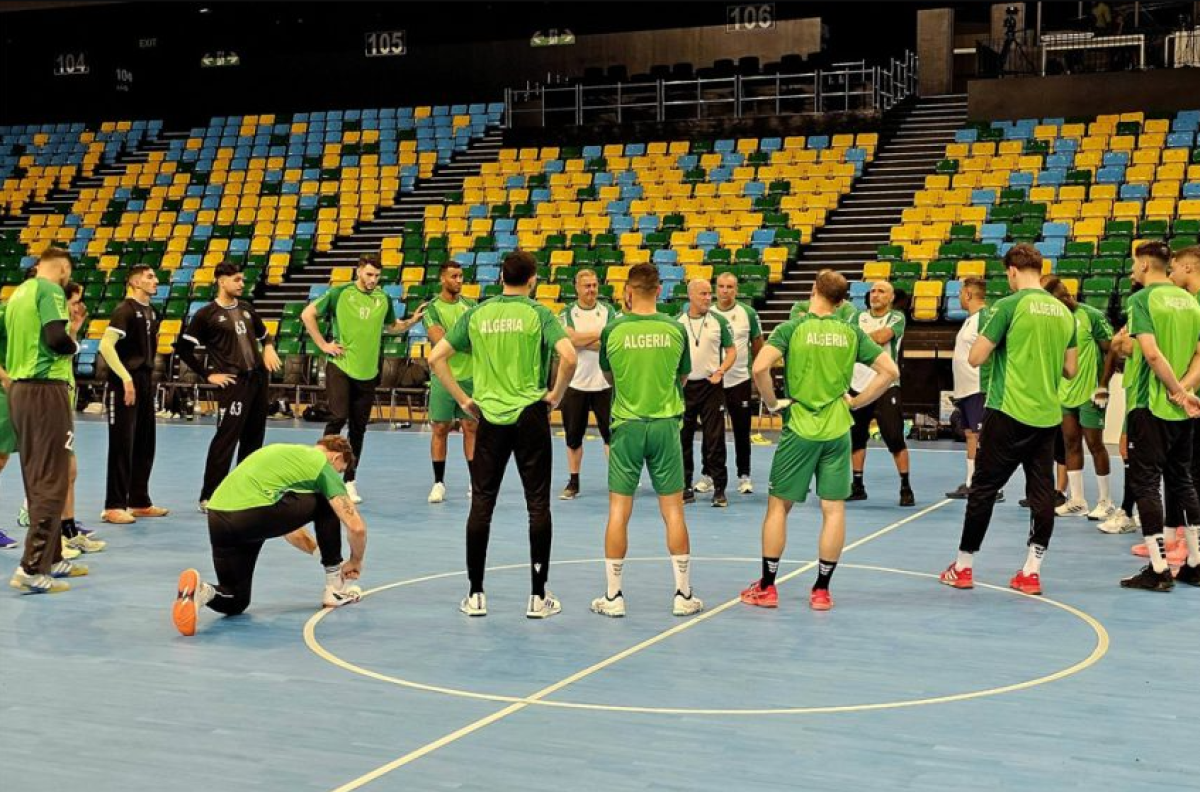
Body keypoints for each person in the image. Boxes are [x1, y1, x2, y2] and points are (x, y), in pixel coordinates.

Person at [428, 250, 577, 619]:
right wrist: (556, 396)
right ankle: (538, 597)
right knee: (537, 505)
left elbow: (435, 358)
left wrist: (463, 399)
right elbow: (570, 357)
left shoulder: (477, 313)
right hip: (531, 415)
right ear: (533, 280)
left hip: (490, 418)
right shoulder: (539, 313)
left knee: (482, 503)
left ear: (500, 278)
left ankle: (476, 594)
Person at [740, 270, 898, 611]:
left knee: (778, 507)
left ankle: (767, 586)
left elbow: (759, 368)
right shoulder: (852, 332)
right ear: (841, 302)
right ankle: (822, 590)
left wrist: (772, 403)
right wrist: (857, 402)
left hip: (800, 427)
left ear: (813, 290)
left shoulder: (791, 328)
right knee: (833, 509)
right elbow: (890, 371)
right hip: (837, 428)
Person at [939, 244, 1078, 596]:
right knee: (1041, 493)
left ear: (1013, 271)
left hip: (1008, 411)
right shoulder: (1065, 313)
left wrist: (1002, 344)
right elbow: (1070, 369)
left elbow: (976, 357)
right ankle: (1032, 572)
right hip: (1046, 415)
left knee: (983, 489)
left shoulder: (1008, 306)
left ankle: (963, 566)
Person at [590, 263, 702, 617]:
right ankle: (683, 594)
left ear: (628, 290)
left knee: (618, 510)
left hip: (627, 425)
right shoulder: (675, 328)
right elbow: (683, 376)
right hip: (665, 424)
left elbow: (608, 375)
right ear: (660, 290)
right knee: (673, 510)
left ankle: (613, 597)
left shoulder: (613, 329)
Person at [170, 436, 368, 636]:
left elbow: (290, 529)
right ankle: (335, 587)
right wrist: (355, 561)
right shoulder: (321, 465)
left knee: (236, 600)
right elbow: (356, 528)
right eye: (340, 471)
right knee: (327, 501)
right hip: (250, 515)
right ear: (336, 457)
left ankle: (202, 592)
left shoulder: (287, 457)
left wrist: (321, 552)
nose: (337, 475)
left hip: (218, 518)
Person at [301, 253, 425, 504]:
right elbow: (307, 314)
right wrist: (323, 344)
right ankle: (320, 474)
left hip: (368, 372)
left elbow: (392, 326)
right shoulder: (340, 293)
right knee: (338, 417)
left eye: (377, 276)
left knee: (358, 428)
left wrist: (412, 321)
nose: (373, 280)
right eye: (369, 274)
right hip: (341, 365)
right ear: (358, 271)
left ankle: (349, 480)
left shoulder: (383, 298)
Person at [6, 248, 89, 594]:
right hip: (45, 390)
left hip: (21, 390)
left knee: (37, 474)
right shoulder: (50, 289)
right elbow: (56, 338)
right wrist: (76, 345)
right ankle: (31, 567)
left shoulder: (18, 293)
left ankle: (52, 558)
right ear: (63, 269)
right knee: (53, 479)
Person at [1118, 242, 1200, 591]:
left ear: (1145, 264)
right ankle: (1195, 564)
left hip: (1149, 405)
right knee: (1182, 480)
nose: (1132, 271)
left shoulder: (1142, 300)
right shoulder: (1192, 302)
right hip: (1181, 410)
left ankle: (1158, 568)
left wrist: (1173, 389)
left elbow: (1150, 354)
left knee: (1146, 483)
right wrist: (1184, 391)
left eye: (1134, 264)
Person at [175, 261, 282, 512]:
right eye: (237, 280)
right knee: (225, 440)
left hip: (258, 380)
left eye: (242, 279)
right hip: (234, 384)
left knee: (254, 440)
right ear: (221, 281)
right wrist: (208, 374)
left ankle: (246, 490)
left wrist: (268, 347)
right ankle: (209, 496)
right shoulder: (206, 314)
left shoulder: (246, 308)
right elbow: (183, 348)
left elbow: (265, 335)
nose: (242, 284)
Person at [99, 264, 169, 524]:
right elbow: (106, 346)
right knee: (122, 444)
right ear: (135, 282)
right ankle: (113, 506)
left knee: (145, 443)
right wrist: (126, 378)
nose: (156, 280)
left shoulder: (152, 311)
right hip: (124, 382)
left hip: (144, 381)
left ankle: (139, 501)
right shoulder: (124, 310)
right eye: (150, 277)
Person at [1040, 275, 1115, 519]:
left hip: (1091, 392)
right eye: (1062, 296)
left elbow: (1111, 350)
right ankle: (1077, 500)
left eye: (1068, 293)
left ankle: (1106, 501)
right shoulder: (1052, 321)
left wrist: (1103, 385)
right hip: (1064, 393)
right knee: (1070, 443)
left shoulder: (1091, 315)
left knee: (1095, 445)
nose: (1068, 298)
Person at [847, 281, 913, 506]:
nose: (875, 295)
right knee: (856, 439)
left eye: (881, 291)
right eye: (872, 291)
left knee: (894, 437)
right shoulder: (857, 317)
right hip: (858, 384)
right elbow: (849, 341)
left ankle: (905, 486)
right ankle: (857, 485)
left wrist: (859, 338)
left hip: (885, 385)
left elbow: (882, 337)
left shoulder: (897, 317)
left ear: (891, 297)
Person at [557, 268, 617, 500]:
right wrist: (599, 335)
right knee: (573, 438)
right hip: (575, 383)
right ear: (577, 288)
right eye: (587, 286)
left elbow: (611, 342)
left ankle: (616, 480)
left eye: (594, 285)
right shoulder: (567, 312)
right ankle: (573, 481)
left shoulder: (608, 310)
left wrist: (582, 340)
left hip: (604, 383)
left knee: (611, 436)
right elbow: (570, 339)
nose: (591, 290)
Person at [423, 260, 477, 504]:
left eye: (461, 276)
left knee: (471, 428)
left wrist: (454, 343)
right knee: (440, 429)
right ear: (442, 279)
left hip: (470, 377)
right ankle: (438, 483)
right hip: (442, 377)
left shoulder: (472, 307)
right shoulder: (432, 308)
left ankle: (475, 481)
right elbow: (439, 339)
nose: (459, 280)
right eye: (454, 276)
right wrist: (464, 343)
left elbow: (476, 339)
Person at [945, 278, 1004, 501]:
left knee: (982, 437)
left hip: (980, 386)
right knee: (971, 434)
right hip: (966, 388)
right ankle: (972, 482)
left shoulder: (985, 317)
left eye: (961, 292)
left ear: (969, 294)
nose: (959, 297)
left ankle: (992, 486)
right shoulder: (970, 320)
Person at [678, 279, 736, 506]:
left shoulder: (719, 321)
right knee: (683, 439)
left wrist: (721, 370)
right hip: (685, 387)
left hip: (711, 386)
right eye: (702, 294)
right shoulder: (678, 323)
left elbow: (731, 351)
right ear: (690, 296)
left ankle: (719, 489)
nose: (707, 297)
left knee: (715, 439)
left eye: (709, 293)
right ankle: (685, 486)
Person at [710, 272, 763, 495]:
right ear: (716, 289)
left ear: (736, 290)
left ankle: (744, 475)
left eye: (730, 287)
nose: (725, 291)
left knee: (742, 431)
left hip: (740, 380)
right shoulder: (708, 313)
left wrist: (758, 375)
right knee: (713, 433)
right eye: (721, 286)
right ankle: (709, 474)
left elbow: (758, 344)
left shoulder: (748, 313)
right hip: (713, 382)